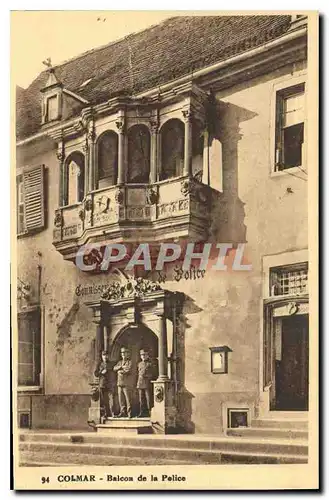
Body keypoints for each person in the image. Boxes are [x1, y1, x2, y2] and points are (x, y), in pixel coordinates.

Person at [94, 351, 115, 418]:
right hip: (102, 384)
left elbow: (114, 373)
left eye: (106, 355)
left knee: (111, 399)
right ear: (102, 356)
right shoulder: (99, 364)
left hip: (110, 384)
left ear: (108, 356)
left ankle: (112, 413)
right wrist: (101, 372)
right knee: (103, 400)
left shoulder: (111, 364)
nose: (105, 357)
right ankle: (106, 413)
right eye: (104, 355)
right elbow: (96, 374)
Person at [113, 347, 133, 418]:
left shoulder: (130, 362)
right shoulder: (119, 362)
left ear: (128, 354)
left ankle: (129, 413)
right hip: (119, 383)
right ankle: (122, 412)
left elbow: (128, 370)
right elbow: (114, 368)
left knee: (128, 399)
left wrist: (120, 370)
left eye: (125, 353)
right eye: (122, 353)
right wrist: (121, 367)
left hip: (126, 383)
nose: (123, 354)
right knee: (120, 399)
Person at [137, 348, 156, 417]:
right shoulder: (139, 364)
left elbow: (153, 374)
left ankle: (150, 412)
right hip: (140, 383)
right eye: (142, 355)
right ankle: (141, 412)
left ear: (147, 355)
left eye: (145, 355)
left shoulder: (150, 363)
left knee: (149, 399)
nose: (143, 356)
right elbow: (138, 373)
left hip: (147, 383)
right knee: (141, 400)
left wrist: (146, 376)